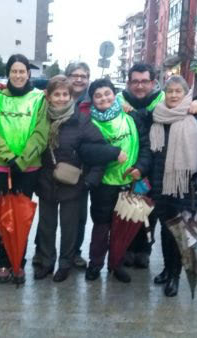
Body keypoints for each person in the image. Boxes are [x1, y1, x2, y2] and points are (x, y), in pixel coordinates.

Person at [33, 75, 124, 282]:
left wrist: (89, 181)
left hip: (73, 183)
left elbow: (99, 153)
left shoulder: (81, 120)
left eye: (65, 94)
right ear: (48, 96)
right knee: (47, 226)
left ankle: (65, 264)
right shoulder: (41, 117)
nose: (62, 99)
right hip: (46, 179)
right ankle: (47, 262)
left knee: (69, 227)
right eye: (57, 94)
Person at [118, 63, 197, 269]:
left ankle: (145, 251)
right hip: (127, 169)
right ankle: (127, 250)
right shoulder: (119, 102)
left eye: (144, 81)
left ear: (153, 83)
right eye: (135, 81)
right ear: (129, 83)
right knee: (129, 211)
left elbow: (182, 102)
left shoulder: (160, 104)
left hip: (157, 171)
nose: (140, 86)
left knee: (151, 214)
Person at [148, 75, 197, 297]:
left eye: (178, 91)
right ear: (164, 94)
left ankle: (175, 277)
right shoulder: (157, 115)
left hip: (187, 186)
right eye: (170, 91)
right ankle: (167, 269)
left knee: (182, 233)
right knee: (167, 231)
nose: (174, 95)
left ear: (186, 93)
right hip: (161, 184)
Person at [0, 54, 49, 284]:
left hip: (28, 168)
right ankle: (3, 261)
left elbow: (41, 134)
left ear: (28, 74)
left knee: (21, 217)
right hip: (0, 167)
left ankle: (17, 262)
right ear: (8, 73)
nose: (18, 75)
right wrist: (9, 157)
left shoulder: (39, 99)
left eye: (22, 71)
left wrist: (22, 160)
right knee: (4, 216)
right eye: (14, 71)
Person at [85, 78, 151, 283]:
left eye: (107, 93)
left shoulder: (132, 116)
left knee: (122, 227)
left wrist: (140, 167)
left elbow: (146, 146)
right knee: (101, 226)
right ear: (93, 100)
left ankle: (117, 264)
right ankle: (95, 264)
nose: (103, 98)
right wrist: (112, 152)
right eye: (98, 95)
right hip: (103, 184)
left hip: (129, 183)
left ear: (115, 95)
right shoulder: (89, 121)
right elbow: (86, 151)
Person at [65, 62, 93, 269]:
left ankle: (75, 252)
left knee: (79, 215)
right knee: (48, 215)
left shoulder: (92, 103)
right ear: (67, 77)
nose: (79, 79)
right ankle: (42, 252)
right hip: (55, 165)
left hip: (83, 167)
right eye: (75, 75)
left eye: (83, 76)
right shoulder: (56, 96)